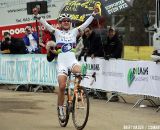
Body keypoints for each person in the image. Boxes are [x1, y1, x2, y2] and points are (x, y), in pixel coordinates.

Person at [32, 5, 100, 121]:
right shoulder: (57, 32)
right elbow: (46, 25)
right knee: (62, 86)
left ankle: (77, 92)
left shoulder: (74, 32)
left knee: (80, 71)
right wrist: (38, 16)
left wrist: (93, 14)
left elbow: (85, 24)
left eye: (68, 21)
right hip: (62, 63)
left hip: (72, 61)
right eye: (64, 21)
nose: (66, 22)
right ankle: (60, 108)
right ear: (60, 23)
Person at [104, 27, 123, 102]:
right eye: (109, 32)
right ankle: (105, 94)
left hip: (115, 62)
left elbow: (118, 51)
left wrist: (111, 55)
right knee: (109, 78)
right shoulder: (107, 40)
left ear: (114, 32)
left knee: (115, 79)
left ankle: (115, 95)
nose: (110, 33)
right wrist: (105, 54)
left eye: (112, 32)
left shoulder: (118, 40)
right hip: (108, 63)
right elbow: (105, 49)